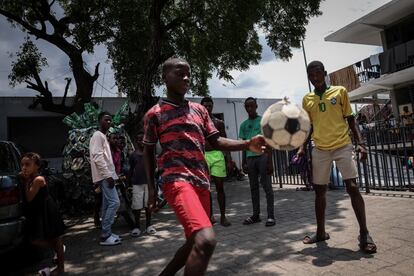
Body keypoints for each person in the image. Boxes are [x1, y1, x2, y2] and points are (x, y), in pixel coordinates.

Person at [143, 57, 266, 275]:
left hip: (201, 181)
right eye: (180, 73)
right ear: (164, 77)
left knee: (194, 242)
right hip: (176, 181)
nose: (186, 77)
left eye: (189, 73)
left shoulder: (199, 110)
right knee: (206, 239)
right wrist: (152, 189)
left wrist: (247, 144)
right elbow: (148, 150)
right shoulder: (154, 114)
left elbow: (216, 141)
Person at [298, 60, 377, 253]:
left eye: (318, 74)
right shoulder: (307, 99)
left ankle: (365, 233)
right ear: (309, 77)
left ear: (324, 73)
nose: (315, 78)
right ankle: (321, 232)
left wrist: (360, 143)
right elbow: (308, 127)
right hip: (321, 149)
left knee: (352, 187)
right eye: (311, 75)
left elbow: (351, 119)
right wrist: (301, 147)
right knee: (319, 192)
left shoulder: (340, 91)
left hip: (342, 145)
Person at [19, 152, 65, 276]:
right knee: (37, 240)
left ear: (37, 166)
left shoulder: (38, 179)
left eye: (27, 164)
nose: (24, 167)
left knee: (56, 237)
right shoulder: (30, 179)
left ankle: (60, 268)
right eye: (22, 165)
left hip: (48, 210)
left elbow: (29, 197)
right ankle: (58, 248)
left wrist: (25, 181)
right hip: (39, 212)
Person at [239, 97, 276, 227]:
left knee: (267, 186)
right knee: (253, 188)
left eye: (252, 106)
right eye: (247, 107)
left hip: (262, 157)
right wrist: (243, 162)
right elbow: (244, 145)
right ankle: (256, 215)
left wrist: (270, 162)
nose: (249, 109)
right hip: (250, 159)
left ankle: (271, 216)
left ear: (256, 106)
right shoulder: (243, 125)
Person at [89, 112, 121, 246]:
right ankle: (105, 235)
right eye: (106, 120)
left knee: (107, 205)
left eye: (110, 120)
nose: (109, 122)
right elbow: (97, 157)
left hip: (107, 176)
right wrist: (108, 176)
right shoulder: (98, 136)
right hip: (105, 177)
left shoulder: (103, 136)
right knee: (115, 203)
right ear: (99, 121)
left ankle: (107, 232)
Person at [200, 96, 232, 227]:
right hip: (203, 156)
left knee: (220, 187)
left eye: (209, 105)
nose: (207, 108)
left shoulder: (219, 122)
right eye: (205, 106)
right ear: (201, 107)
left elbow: (225, 141)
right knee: (206, 189)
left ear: (212, 106)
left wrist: (229, 159)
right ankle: (209, 216)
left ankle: (223, 216)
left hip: (217, 155)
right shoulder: (198, 123)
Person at [129, 133, 156, 237]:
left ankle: (149, 225)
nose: (142, 142)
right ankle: (137, 226)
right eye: (139, 140)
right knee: (137, 206)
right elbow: (131, 170)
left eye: (143, 140)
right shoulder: (133, 155)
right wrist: (128, 183)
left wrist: (154, 183)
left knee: (148, 205)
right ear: (136, 142)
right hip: (137, 183)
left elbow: (154, 168)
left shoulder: (150, 154)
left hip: (148, 184)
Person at [109, 132, 134, 229]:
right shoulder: (109, 152)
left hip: (121, 179)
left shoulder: (121, 152)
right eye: (119, 142)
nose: (122, 144)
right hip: (111, 179)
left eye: (124, 143)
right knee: (117, 201)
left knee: (125, 196)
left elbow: (121, 167)